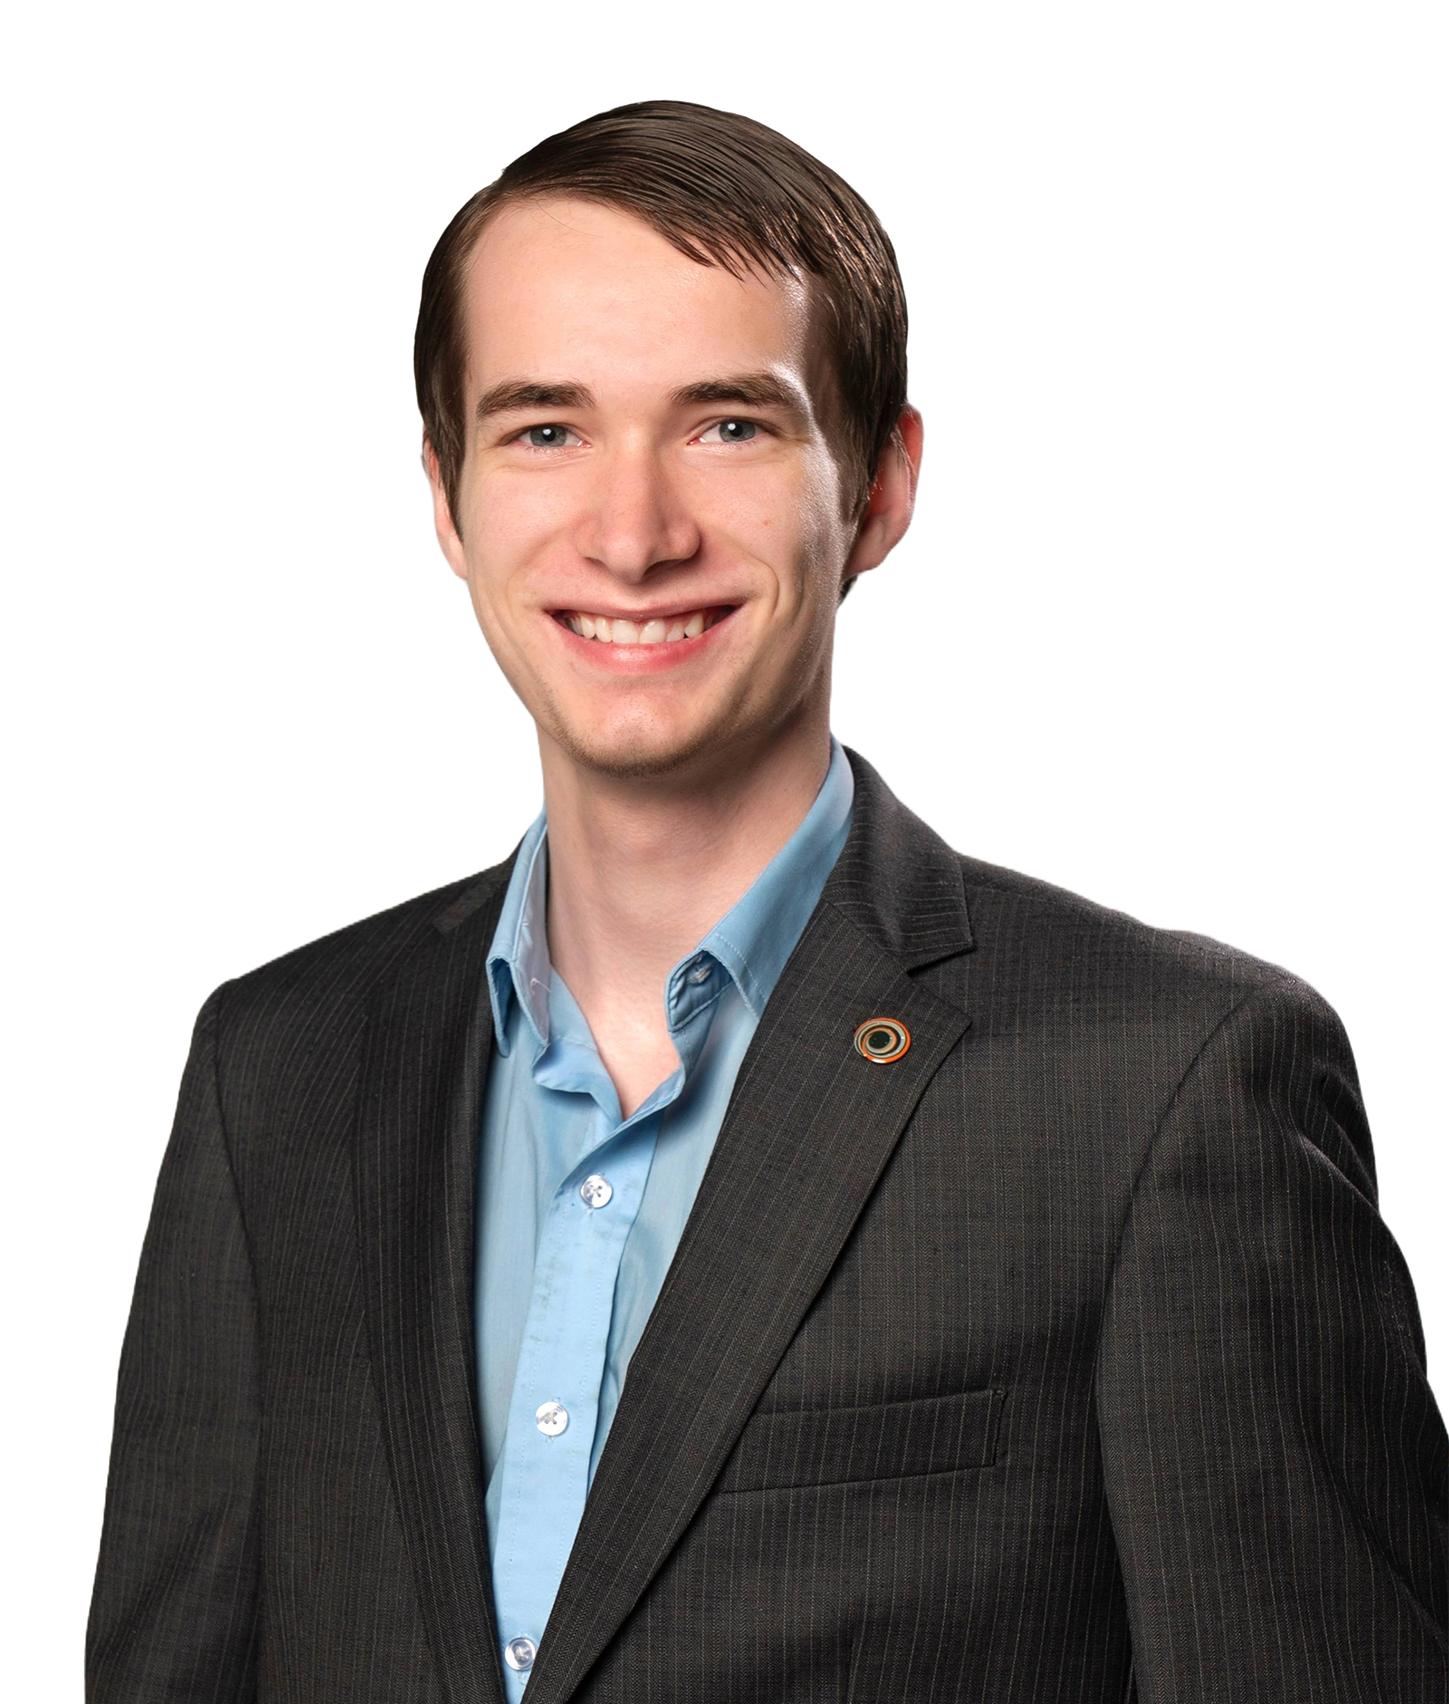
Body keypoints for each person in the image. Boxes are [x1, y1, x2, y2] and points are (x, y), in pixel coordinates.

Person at [86, 99, 1449, 1703]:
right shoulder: (280, 1074)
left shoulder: (1160, 1091)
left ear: (876, 486)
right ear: (448, 501)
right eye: (544, 429)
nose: (633, 532)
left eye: (728, 425)